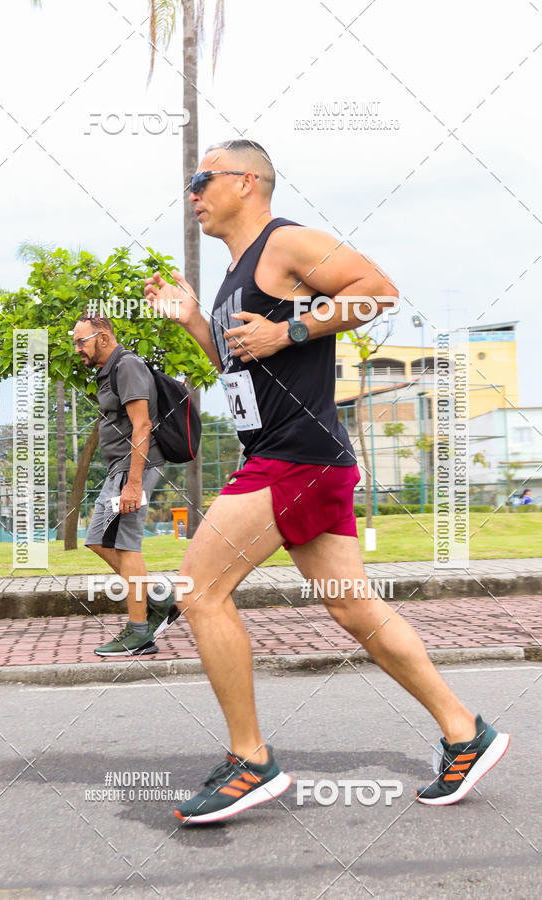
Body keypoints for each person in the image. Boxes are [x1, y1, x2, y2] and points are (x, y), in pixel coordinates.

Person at [145, 140, 510, 824]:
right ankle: (466, 732)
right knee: (354, 607)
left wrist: (290, 330)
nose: (191, 194)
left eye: (202, 179)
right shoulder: (236, 275)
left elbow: (379, 294)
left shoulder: (287, 243)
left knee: (198, 593)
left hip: (296, 455)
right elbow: (237, 364)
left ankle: (251, 762)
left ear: (248, 182)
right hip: (302, 455)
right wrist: (197, 320)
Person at [73, 313, 179, 656]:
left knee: (124, 545)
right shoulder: (110, 370)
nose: (77, 349)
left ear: (103, 337)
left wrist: (134, 484)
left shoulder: (127, 366)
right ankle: (160, 601)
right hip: (120, 470)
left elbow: (143, 425)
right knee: (98, 540)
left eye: (81, 341)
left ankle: (139, 633)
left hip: (134, 470)